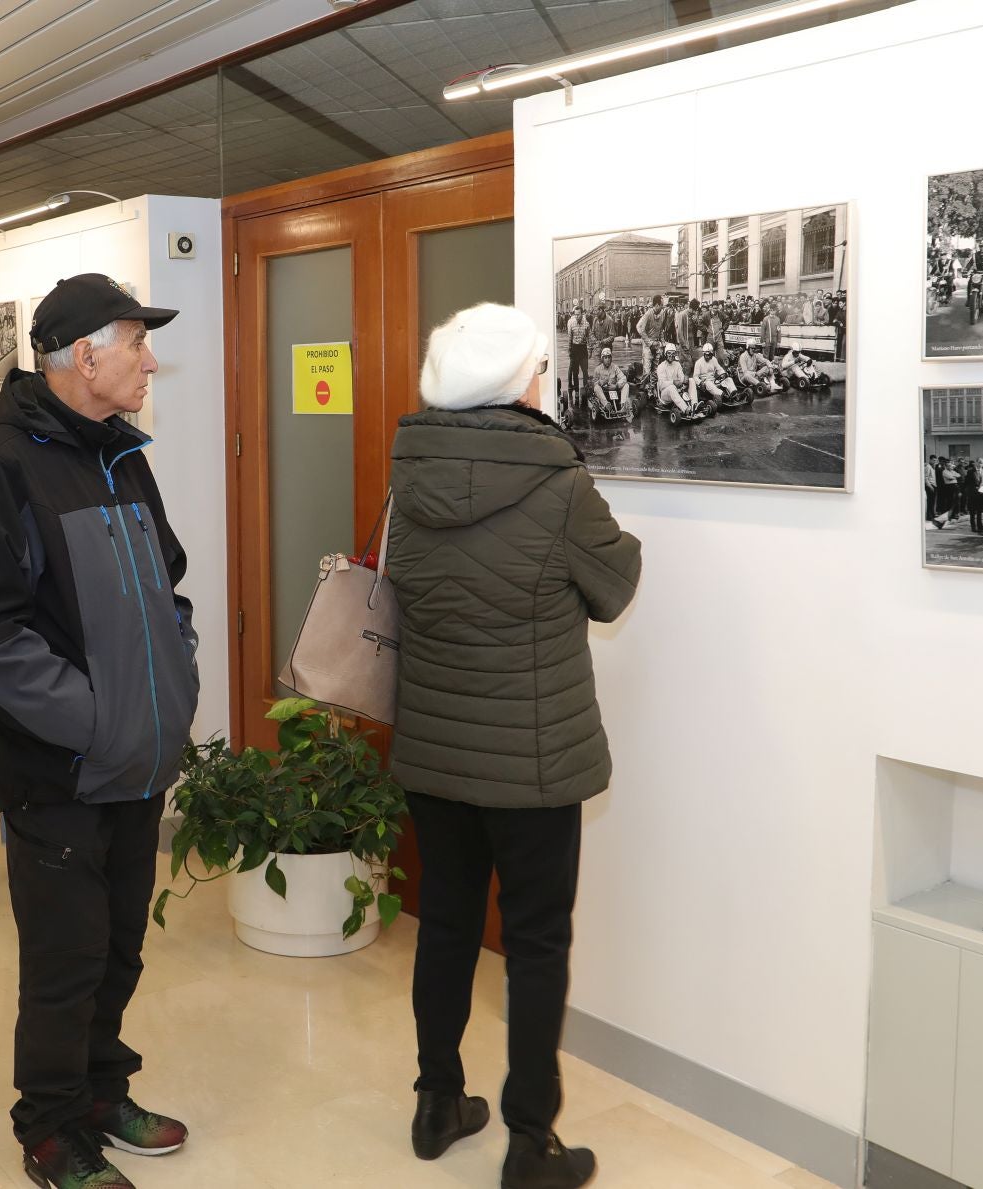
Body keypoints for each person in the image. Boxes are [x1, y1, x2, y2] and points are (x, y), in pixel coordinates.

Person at [0, 274, 200, 1189]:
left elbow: (166, 585)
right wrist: (97, 721)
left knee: (121, 946)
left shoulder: (123, 455)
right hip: (61, 771)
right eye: (137, 342)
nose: (150, 359)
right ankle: (49, 1126)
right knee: (65, 960)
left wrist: (178, 672)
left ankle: (99, 1088)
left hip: (138, 761)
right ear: (85, 356)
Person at [388, 303, 640, 1189]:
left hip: (434, 752)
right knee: (536, 943)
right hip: (532, 761)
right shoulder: (560, 481)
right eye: (539, 367)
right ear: (517, 380)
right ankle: (530, 1143)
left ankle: (436, 1102)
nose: (545, 380)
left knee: (447, 923)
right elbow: (614, 587)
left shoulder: (407, 478)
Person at [586, 346, 631, 418]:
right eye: (605, 357)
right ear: (602, 359)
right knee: (596, 387)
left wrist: (616, 385)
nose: (607, 360)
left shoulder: (615, 367)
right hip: (603, 391)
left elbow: (623, 378)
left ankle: (623, 405)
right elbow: (594, 383)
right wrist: (601, 382)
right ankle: (606, 405)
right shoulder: (598, 369)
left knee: (626, 385)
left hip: (614, 389)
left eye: (609, 357)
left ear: (611, 358)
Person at [655, 345, 694, 416]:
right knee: (671, 388)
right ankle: (686, 409)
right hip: (665, 394)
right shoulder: (661, 366)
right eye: (669, 353)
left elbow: (681, 378)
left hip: (678, 390)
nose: (671, 355)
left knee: (691, 380)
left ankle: (694, 404)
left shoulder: (677, 364)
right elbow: (661, 385)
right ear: (665, 354)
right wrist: (673, 382)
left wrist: (685, 379)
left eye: (673, 353)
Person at [563, 306, 588, 398]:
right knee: (575, 371)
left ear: (582, 314)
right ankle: (576, 390)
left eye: (579, 314)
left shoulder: (586, 323)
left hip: (583, 348)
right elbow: (570, 338)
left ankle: (586, 388)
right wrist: (570, 350)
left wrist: (590, 349)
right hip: (575, 348)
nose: (577, 316)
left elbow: (589, 337)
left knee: (585, 371)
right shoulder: (571, 323)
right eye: (576, 314)